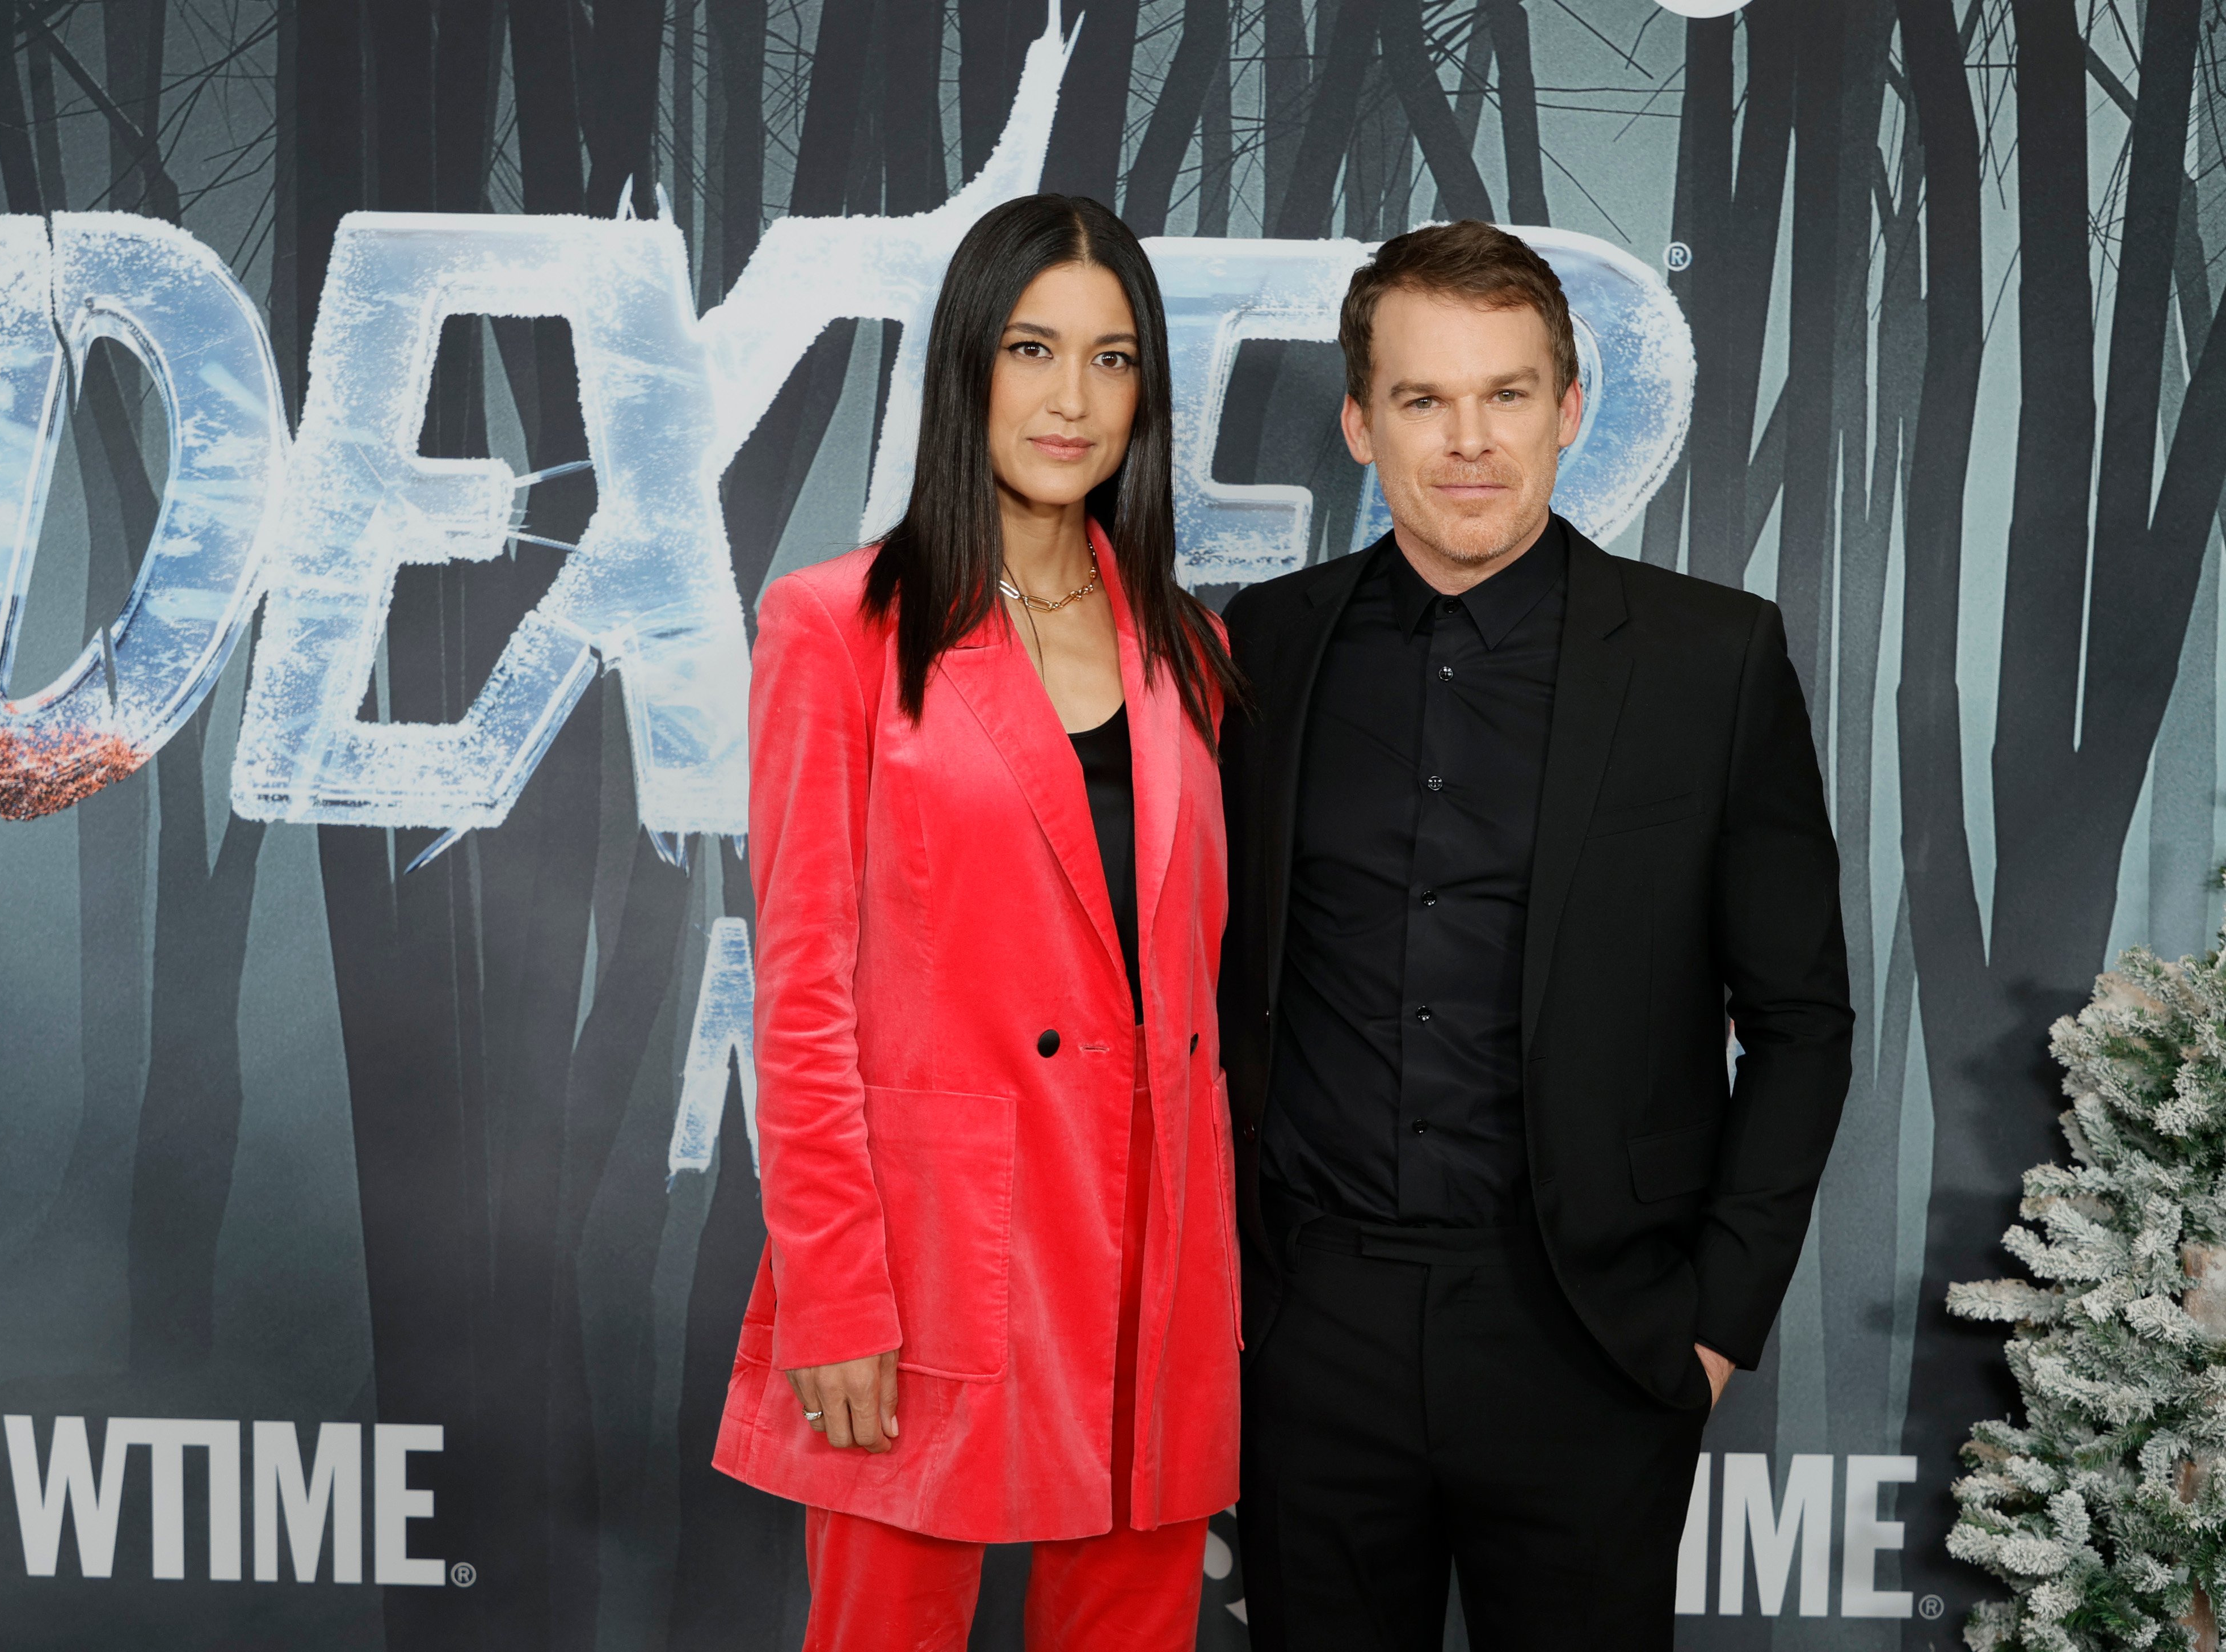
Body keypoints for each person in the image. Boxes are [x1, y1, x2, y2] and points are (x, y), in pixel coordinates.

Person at [1217, 220, 1853, 1650]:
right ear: (1359, 424)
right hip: (1317, 1332)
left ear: (1570, 410)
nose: (1470, 442)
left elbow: (1804, 1023)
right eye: (1423, 399)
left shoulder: (1712, 661)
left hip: (1587, 1335)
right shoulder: (1264, 646)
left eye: (1508, 394)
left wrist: (1709, 1327)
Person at [713, 193, 1245, 1651]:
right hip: (941, 1257)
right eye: (1032, 348)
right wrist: (832, 1294)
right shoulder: (837, 628)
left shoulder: (1186, 645)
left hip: (1156, 1258)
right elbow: (804, 990)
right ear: (967, 365)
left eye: (1113, 358)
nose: (1072, 399)